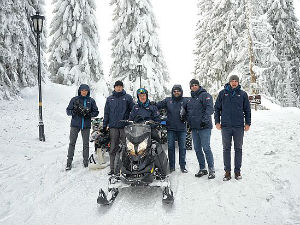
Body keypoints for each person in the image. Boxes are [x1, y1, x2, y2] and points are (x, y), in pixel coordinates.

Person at [214, 75, 251, 181]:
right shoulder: (222, 94)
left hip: (239, 126)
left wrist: (248, 123)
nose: (234, 83)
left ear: (238, 82)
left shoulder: (243, 94)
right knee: (226, 149)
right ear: (229, 82)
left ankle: (237, 171)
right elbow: (216, 109)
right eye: (232, 81)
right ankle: (227, 172)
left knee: (238, 149)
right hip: (225, 126)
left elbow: (247, 110)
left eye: (236, 81)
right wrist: (217, 122)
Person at [103, 80, 134, 175]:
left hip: (125, 127)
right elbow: (106, 113)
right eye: (117, 86)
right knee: (113, 148)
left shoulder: (127, 97)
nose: (119, 88)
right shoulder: (110, 99)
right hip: (113, 127)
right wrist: (105, 125)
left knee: (127, 148)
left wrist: (131, 121)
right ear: (114, 87)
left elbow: (133, 110)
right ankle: (112, 169)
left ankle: (129, 168)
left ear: (123, 87)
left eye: (120, 86)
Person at [185, 79, 215, 179]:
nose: (194, 87)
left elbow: (210, 109)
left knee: (206, 148)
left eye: (195, 85)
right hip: (194, 128)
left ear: (198, 86)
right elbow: (188, 113)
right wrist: (189, 123)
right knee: (197, 149)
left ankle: (211, 169)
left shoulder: (205, 95)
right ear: (190, 87)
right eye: (192, 85)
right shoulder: (190, 99)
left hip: (204, 127)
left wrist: (204, 120)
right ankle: (202, 168)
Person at [65, 84, 99, 171]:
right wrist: (74, 112)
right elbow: (68, 111)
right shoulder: (74, 99)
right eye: (82, 90)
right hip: (75, 125)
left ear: (88, 91)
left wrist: (88, 114)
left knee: (86, 144)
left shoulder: (91, 101)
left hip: (86, 126)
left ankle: (85, 162)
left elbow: (96, 112)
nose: (84, 92)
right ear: (80, 91)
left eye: (85, 90)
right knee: (72, 143)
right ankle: (69, 162)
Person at [156, 84, 188, 173]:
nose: (176, 92)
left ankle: (183, 166)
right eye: (174, 91)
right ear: (172, 92)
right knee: (170, 148)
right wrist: (151, 103)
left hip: (182, 128)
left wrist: (186, 117)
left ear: (181, 92)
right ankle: (171, 166)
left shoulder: (185, 101)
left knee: (182, 148)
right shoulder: (167, 100)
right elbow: (157, 105)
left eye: (178, 91)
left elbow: (191, 110)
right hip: (171, 128)